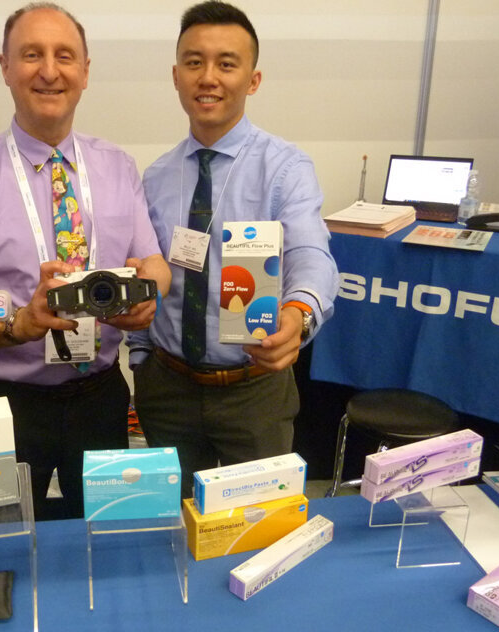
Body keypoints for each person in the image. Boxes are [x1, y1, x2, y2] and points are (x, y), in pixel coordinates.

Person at [0, 3, 170, 520]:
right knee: (3, 542)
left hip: (101, 395)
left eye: (64, 55)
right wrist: (21, 323)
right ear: (5, 67)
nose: (49, 70)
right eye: (31, 55)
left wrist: (148, 295)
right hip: (6, 404)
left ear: (85, 70)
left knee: (107, 534)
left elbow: (153, 261)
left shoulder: (117, 167)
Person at [127, 1, 339, 497]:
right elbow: (145, 267)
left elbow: (311, 253)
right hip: (167, 389)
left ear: (253, 79)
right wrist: (140, 359)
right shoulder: (155, 177)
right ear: (176, 75)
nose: (208, 78)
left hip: (254, 389)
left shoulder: (285, 168)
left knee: (260, 524)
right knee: (176, 522)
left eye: (226, 63)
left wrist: (299, 314)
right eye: (194, 62)